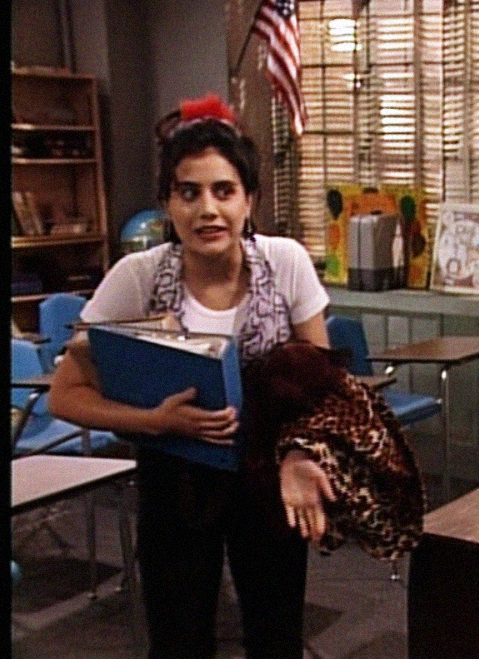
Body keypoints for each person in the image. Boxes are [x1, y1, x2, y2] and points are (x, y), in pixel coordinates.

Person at [48, 94, 335, 659]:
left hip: (268, 476)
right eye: (189, 193)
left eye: (224, 191)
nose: (208, 209)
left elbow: (322, 388)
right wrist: (151, 420)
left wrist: (302, 456)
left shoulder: (286, 263)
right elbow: (66, 395)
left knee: (276, 638)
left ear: (249, 201)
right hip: (173, 478)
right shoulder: (137, 276)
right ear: (167, 206)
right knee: (179, 640)